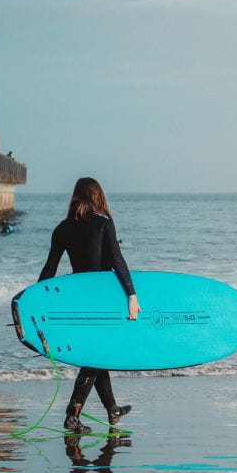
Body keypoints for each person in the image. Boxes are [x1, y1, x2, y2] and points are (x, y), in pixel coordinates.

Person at [38, 178, 141, 433]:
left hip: (78, 301)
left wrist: (36, 301)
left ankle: (112, 409)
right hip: (102, 301)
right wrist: (132, 295)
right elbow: (117, 260)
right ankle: (72, 415)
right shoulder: (104, 223)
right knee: (95, 355)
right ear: (98, 196)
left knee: (96, 352)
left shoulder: (62, 228)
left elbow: (50, 268)